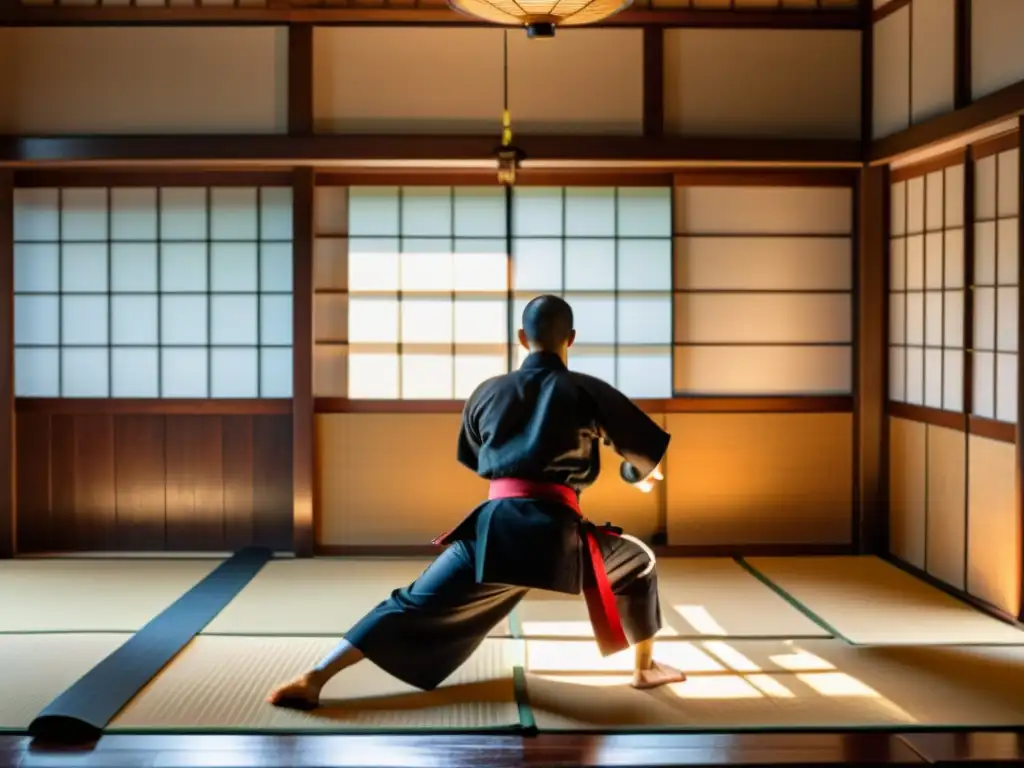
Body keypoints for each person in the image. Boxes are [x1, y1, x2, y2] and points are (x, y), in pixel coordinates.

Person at [267, 294, 685, 709]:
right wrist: (639, 475)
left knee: (408, 603)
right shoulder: (588, 390)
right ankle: (643, 669)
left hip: (493, 537)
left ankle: (315, 675)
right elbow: (647, 457)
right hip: (561, 542)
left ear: (522, 338)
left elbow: (474, 457)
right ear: (570, 339)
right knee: (640, 562)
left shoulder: (487, 392)